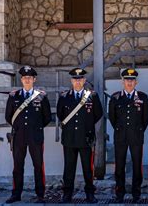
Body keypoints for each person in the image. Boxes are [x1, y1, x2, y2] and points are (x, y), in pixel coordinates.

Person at [4, 66, 52, 204]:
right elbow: (9, 116)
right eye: (25, 78)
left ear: (34, 79)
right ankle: (16, 194)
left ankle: (40, 194)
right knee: (18, 166)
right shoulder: (14, 96)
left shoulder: (41, 96)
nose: (27, 80)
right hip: (19, 137)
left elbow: (47, 117)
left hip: (35, 137)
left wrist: (35, 128)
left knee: (38, 165)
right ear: (21, 79)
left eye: (29, 78)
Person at [57, 68, 103, 204]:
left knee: (88, 169)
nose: (78, 82)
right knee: (68, 169)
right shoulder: (64, 97)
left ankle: (90, 194)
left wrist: (86, 126)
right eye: (75, 79)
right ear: (71, 81)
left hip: (86, 138)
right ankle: (67, 195)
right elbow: (60, 114)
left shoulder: (92, 96)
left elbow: (98, 114)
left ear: (84, 80)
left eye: (80, 79)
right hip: (69, 138)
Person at [108, 68, 148, 203]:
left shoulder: (142, 98)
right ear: (122, 82)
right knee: (119, 166)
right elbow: (112, 118)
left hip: (136, 136)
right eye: (127, 80)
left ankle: (136, 193)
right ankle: (120, 193)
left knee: (137, 165)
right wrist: (121, 130)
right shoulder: (115, 97)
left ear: (136, 82)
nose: (129, 82)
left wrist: (137, 130)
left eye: (132, 80)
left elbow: (145, 119)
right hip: (120, 136)